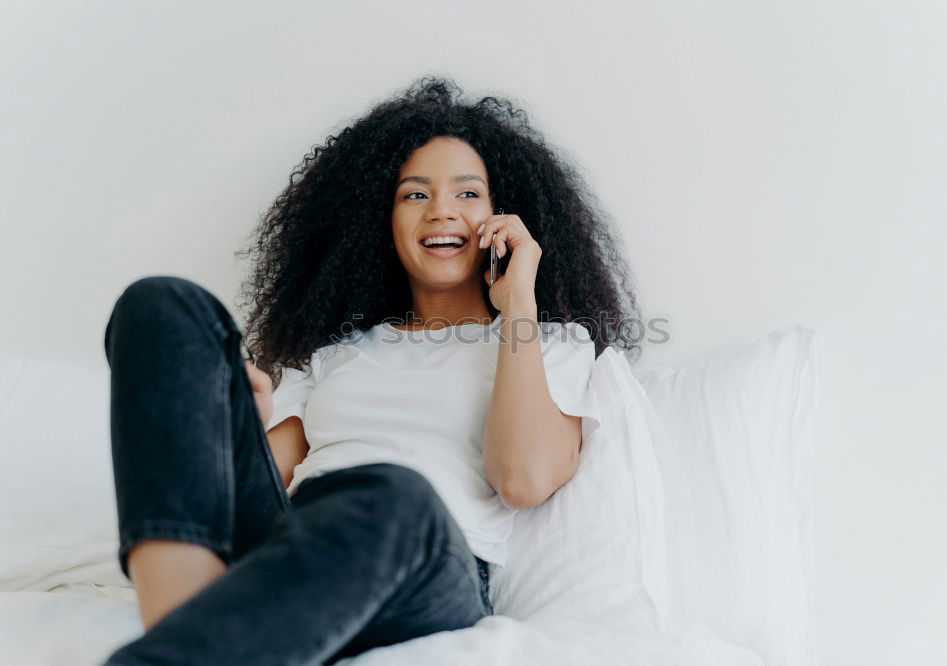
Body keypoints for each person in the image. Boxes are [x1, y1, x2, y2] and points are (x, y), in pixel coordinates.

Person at [101, 74, 642, 665]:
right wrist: (231, 428)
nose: (441, 210)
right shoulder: (337, 353)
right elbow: (255, 482)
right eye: (415, 194)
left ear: (501, 215)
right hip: (294, 540)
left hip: (424, 559)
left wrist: (517, 303)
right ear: (380, 221)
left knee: (388, 490)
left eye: (468, 194)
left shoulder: (543, 341)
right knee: (163, 304)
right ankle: (181, 620)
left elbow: (523, 478)